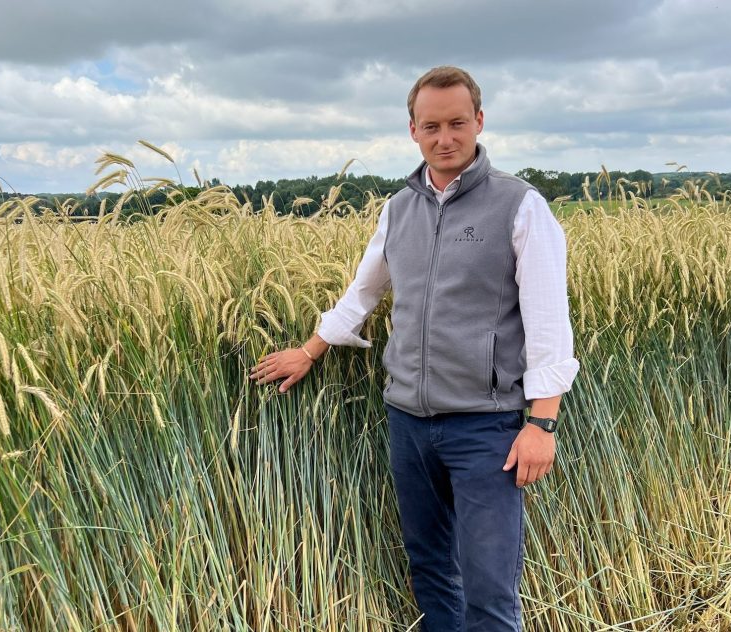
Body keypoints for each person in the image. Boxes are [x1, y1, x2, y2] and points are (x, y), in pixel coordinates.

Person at [248, 65, 579, 631]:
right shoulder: (398, 209)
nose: (444, 137)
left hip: (487, 427)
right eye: (431, 126)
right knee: (430, 570)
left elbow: (549, 322)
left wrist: (541, 424)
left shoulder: (520, 206)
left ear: (479, 121)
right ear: (413, 131)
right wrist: (309, 350)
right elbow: (364, 292)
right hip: (409, 420)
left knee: (489, 585)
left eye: (456, 123)